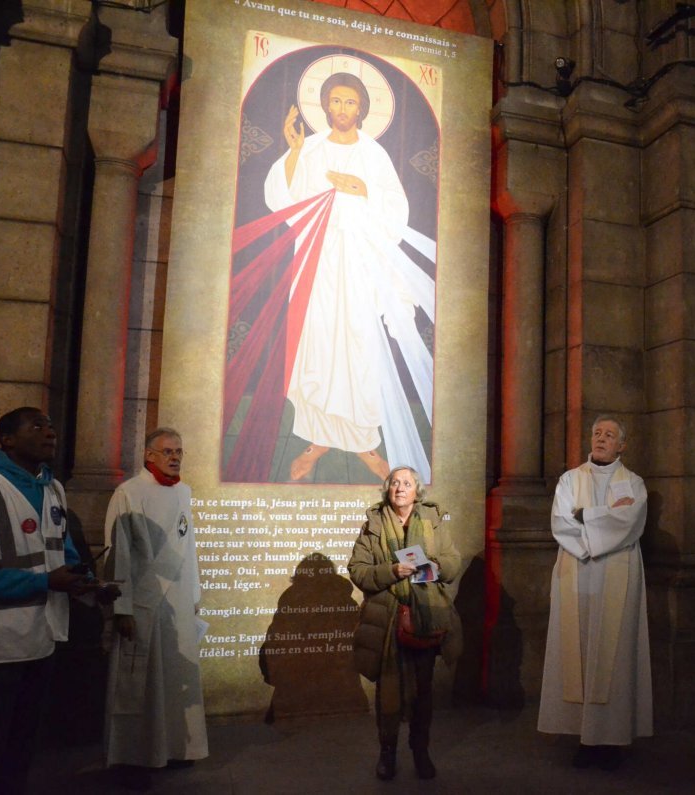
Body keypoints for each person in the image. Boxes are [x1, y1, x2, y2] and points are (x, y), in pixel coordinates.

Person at [262, 72, 433, 484]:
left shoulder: (373, 155)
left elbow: (396, 209)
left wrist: (362, 190)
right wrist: (292, 153)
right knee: (318, 343)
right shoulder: (311, 147)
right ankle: (318, 440)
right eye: (335, 101)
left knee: (357, 345)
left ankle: (362, 442)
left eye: (350, 102)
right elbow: (282, 201)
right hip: (318, 260)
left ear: (362, 109)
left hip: (358, 262)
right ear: (325, 106)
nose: (342, 109)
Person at [0, 407, 103, 794]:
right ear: (8, 440)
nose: (50, 432)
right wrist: (42, 582)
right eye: (37, 426)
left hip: (41, 639)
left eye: (51, 425)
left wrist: (85, 582)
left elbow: (61, 552)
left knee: (21, 748)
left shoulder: (52, 489)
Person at [538, 416, 652, 770]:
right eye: (597, 433)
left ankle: (612, 740)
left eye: (609, 435)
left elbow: (631, 522)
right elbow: (561, 521)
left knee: (614, 653)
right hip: (578, 572)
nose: (601, 439)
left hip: (619, 575)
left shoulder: (633, 484)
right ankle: (583, 738)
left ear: (622, 445)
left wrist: (586, 514)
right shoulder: (570, 479)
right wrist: (594, 533)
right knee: (580, 650)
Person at [102, 428, 207, 783]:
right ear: (149, 456)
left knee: (175, 677)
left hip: (177, 601)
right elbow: (119, 553)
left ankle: (176, 748)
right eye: (167, 451)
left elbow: (188, 548)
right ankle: (133, 757)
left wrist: (193, 597)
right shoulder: (129, 492)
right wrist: (123, 606)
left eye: (179, 451)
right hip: (144, 601)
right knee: (139, 683)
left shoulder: (184, 492)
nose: (175, 457)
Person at [348, 466, 461, 781]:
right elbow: (357, 569)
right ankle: (387, 754)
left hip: (425, 616)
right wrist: (390, 572)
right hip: (386, 620)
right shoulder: (373, 524)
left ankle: (421, 751)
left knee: (423, 692)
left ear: (417, 491)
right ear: (387, 489)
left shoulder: (433, 521)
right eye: (395, 482)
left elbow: (453, 562)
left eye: (407, 483)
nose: (400, 488)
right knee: (389, 693)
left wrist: (434, 567)